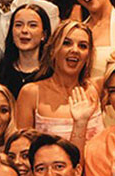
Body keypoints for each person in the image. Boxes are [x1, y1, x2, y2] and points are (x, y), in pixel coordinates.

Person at [14, 17, 101, 146]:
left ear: (88, 55)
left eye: (82, 46)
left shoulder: (94, 89)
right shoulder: (31, 93)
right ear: (53, 50)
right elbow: (21, 151)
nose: (75, 50)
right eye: (66, 43)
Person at [0, 0, 52, 96]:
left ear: (43, 34)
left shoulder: (52, 73)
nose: (24, 30)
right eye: (18, 25)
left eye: (32, 25)